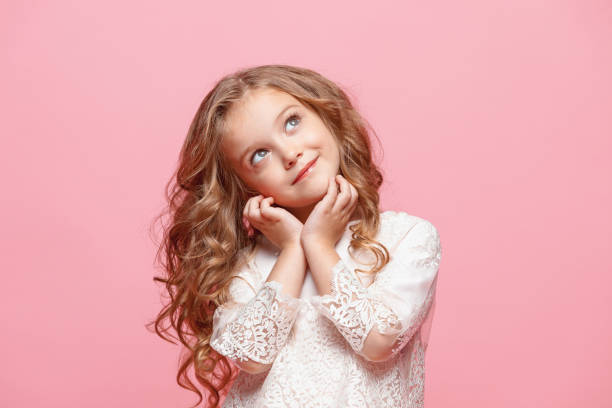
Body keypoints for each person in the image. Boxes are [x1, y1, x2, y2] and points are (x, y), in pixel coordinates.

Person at [149, 64, 442, 408]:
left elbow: (378, 340)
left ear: (327, 116)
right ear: (246, 188)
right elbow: (252, 356)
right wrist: (292, 249)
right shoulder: (247, 267)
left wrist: (317, 244)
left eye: (292, 122)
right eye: (260, 155)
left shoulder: (406, 237)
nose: (290, 155)